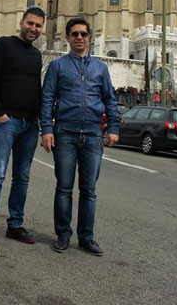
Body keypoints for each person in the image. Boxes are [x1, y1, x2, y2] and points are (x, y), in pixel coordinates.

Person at [40, 18, 119, 256]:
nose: (79, 37)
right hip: (65, 133)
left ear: (89, 38)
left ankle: (86, 237)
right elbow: (47, 99)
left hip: (94, 134)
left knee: (89, 190)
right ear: (67, 38)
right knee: (64, 188)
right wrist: (46, 129)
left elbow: (110, 99)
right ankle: (63, 234)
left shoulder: (101, 68)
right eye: (74, 34)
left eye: (83, 34)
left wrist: (113, 127)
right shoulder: (57, 66)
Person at [0, 5, 46, 247]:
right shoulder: (3, 45)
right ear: (22, 22)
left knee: (22, 177)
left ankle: (15, 224)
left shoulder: (36, 55)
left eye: (38, 26)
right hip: (7, 122)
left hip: (30, 124)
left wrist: (40, 119)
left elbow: (35, 87)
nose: (33, 29)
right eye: (30, 23)